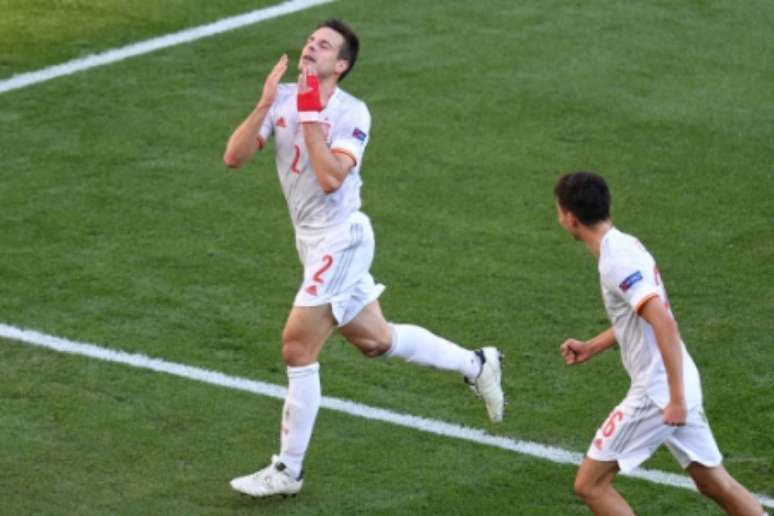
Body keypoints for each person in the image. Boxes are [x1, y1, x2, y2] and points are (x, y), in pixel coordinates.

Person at [222, 19, 504, 498]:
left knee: (296, 346)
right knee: (376, 340)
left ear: (342, 64)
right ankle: (477, 363)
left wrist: (310, 117)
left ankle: (288, 471)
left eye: (324, 45)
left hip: (343, 239)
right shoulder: (287, 97)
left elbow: (332, 178)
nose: (311, 48)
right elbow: (234, 156)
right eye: (310, 41)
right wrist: (266, 102)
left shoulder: (354, 113)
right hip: (312, 244)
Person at [554, 171, 765, 515]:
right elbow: (640, 318)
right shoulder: (623, 244)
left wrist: (676, 399)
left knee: (590, 485)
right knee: (714, 482)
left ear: (570, 218)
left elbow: (665, 324)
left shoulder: (616, 261)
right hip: (676, 379)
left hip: (659, 392)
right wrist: (593, 346)